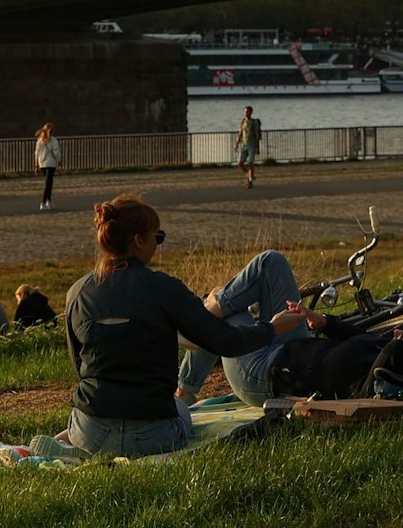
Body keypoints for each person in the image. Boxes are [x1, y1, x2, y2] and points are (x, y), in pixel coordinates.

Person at [61, 195, 301, 458]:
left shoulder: (77, 292)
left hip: (91, 433)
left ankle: (67, 439)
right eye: (158, 237)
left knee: (91, 416)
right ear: (139, 240)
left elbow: (78, 365)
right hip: (153, 436)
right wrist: (271, 328)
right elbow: (224, 340)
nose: (158, 245)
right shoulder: (164, 287)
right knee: (181, 407)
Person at [176, 250, 403, 407]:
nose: (395, 333)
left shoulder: (387, 363)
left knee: (226, 308)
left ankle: (187, 376)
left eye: (402, 335)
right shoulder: (383, 356)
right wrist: (324, 321)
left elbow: (388, 348)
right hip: (289, 348)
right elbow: (367, 339)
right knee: (271, 262)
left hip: (261, 376)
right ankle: (203, 317)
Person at [34, 122, 63, 211]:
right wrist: (59, 162)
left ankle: (48, 201)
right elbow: (57, 152)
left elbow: (36, 153)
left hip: (42, 163)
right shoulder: (54, 141)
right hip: (51, 163)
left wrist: (36, 165)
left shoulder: (40, 140)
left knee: (49, 183)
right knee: (48, 183)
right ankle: (44, 202)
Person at [234, 105, 262, 188]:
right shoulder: (243, 121)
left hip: (252, 145)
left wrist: (257, 147)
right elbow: (240, 133)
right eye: (245, 112)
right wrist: (236, 144)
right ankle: (249, 175)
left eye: (247, 112)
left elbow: (257, 135)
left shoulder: (254, 122)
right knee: (240, 162)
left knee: (250, 162)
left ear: (251, 112)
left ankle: (250, 181)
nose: (246, 113)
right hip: (244, 145)